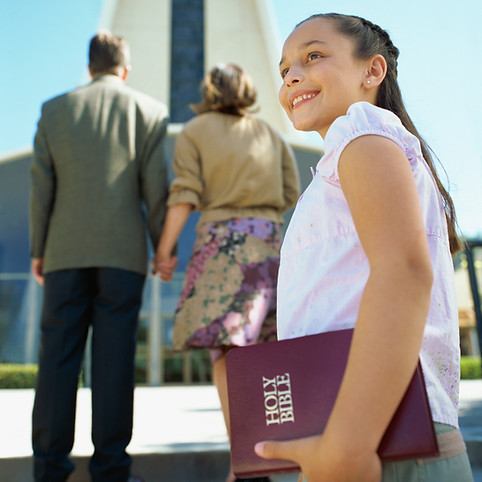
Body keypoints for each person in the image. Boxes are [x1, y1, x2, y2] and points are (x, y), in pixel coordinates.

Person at [253, 13, 474, 482]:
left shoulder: (362, 134)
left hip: (375, 439)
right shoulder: (345, 156)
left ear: (372, 72)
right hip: (352, 434)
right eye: (284, 68)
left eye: (313, 56)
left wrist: (350, 441)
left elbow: (403, 273)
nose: (292, 74)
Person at [30, 30, 169, 482]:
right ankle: (111, 468)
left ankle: (49, 468)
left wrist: (38, 250)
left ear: (89, 67)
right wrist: (160, 247)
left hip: (63, 253)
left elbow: (41, 189)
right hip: (123, 256)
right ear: (125, 69)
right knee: (113, 362)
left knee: (57, 359)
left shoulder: (54, 110)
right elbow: (155, 189)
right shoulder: (148, 111)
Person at [153, 63, 300, 482]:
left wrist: (164, 252)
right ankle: (271, 453)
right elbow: (290, 192)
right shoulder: (269, 133)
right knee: (269, 356)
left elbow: (185, 192)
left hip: (223, 246)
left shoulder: (195, 131)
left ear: (210, 91)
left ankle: (245, 463)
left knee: (228, 352)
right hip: (271, 244)